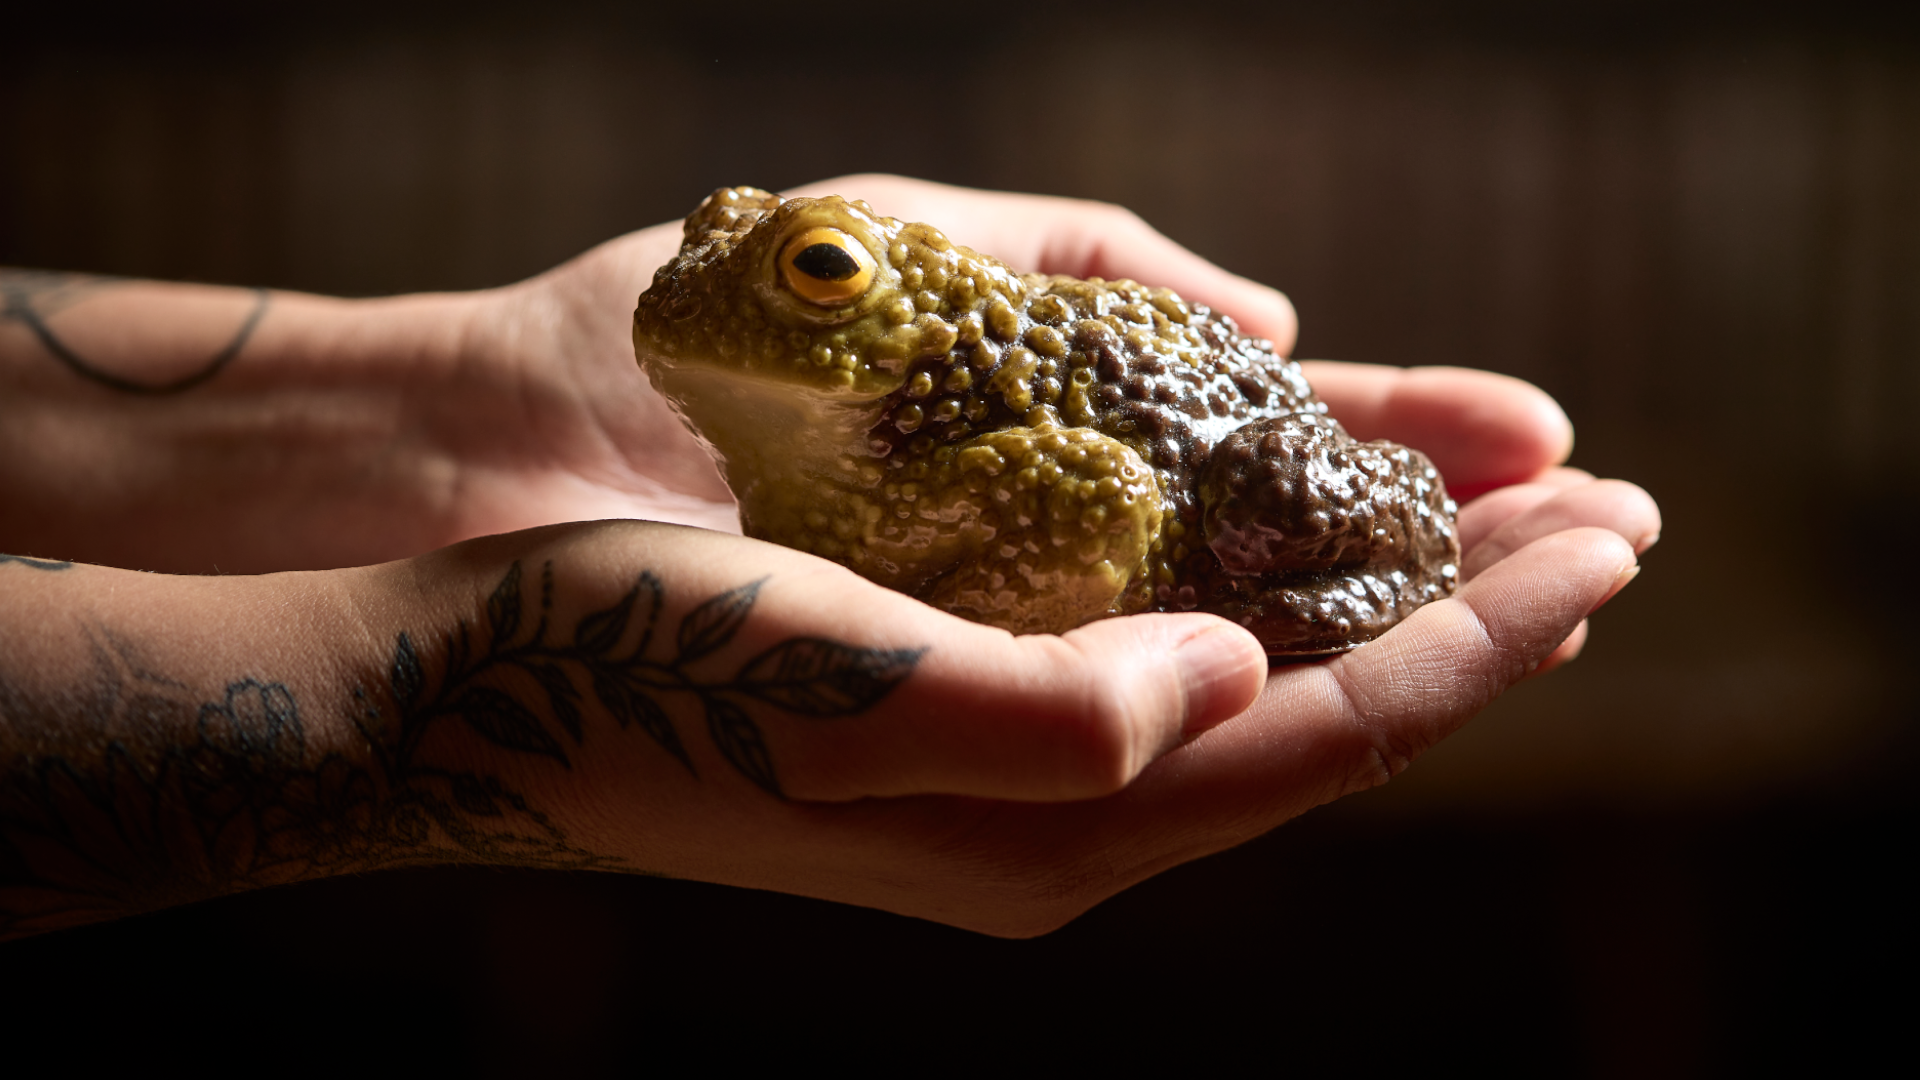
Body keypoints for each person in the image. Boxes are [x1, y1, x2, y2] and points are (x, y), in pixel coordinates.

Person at [0, 174, 1659, 940]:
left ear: (893, 326)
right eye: (731, 244)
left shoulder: (974, 418)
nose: (692, 284)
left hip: (1225, 456)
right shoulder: (830, 423)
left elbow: (1099, 505)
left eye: (804, 267)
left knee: (1294, 486)